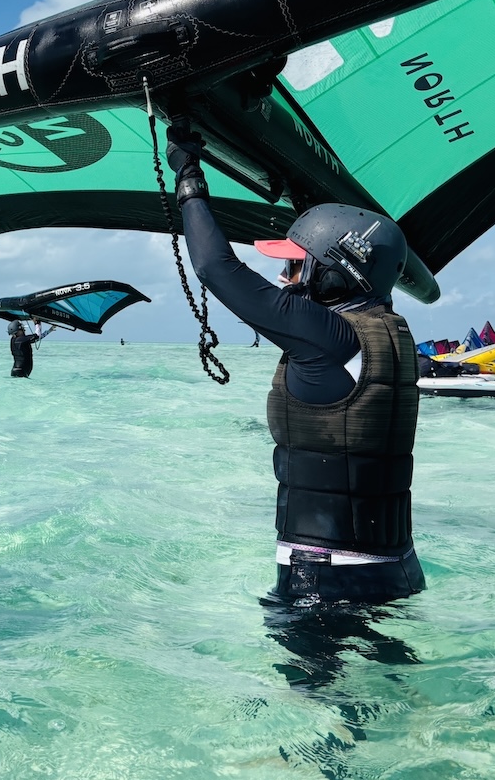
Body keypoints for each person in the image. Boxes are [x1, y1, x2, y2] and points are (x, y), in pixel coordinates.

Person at [165, 126, 424, 605]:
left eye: (294, 266)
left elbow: (216, 268)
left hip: (325, 577)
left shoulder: (327, 338)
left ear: (335, 274)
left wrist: (188, 174)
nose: (282, 279)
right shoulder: (393, 336)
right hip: (397, 566)